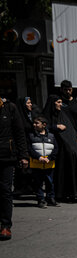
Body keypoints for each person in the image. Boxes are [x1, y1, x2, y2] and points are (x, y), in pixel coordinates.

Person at [42, 95, 77, 201]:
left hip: (66, 147)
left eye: (60, 102)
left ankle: (71, 192)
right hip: (53, 148)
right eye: (58, 102)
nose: (60, 104)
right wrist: (55, 127)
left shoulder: (62, 114)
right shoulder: (47, 115)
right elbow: (43, 127)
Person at [0, 96, 28, 240]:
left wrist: (23, 156)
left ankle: (5, 226)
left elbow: (19, 133)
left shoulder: (9, 108)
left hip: (6, 156)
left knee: (5, 190)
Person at [27, 116, 59, 208]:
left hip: (49, 164)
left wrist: (50, 157)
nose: (34, 125)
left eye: (37, 123)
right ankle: (40, 199)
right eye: (34, 123)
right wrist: (38, 157)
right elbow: (29, 149)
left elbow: (56, 149)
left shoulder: (51, 136)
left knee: (50, 182)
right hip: (36, 164)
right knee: (38, 183)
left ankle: (50, 198)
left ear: (44, 125)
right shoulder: (31, 136)